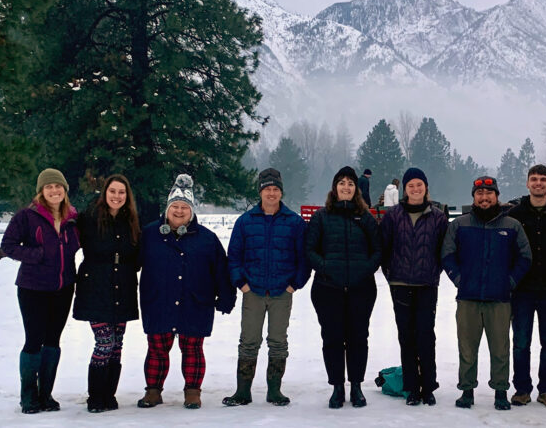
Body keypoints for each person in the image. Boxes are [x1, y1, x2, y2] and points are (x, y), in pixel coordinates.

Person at [136, 174, 236, 409]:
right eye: (175, 207)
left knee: (192, 348)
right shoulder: (149, 235)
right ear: (167, 209)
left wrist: (226, 297)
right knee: (157, 348)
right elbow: (131, 264)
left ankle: (193, 391)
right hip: (158, 300)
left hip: (195, 301)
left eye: (184, 207)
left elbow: (222, 271)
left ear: (191, 211)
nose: (179, 211)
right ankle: (153, 390)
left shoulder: (207, 239)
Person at [441, 176, 531, 411]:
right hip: (468, 298)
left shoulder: (512, 225)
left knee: (500, 348)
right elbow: (447, 255)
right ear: (474, 197)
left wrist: (509, 282)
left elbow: (525, 257)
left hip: (499, 299)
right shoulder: (459, 225)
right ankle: (467, 390)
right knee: (467, 347)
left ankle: (500, 391)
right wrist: (459, 279)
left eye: (489, 193)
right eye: (480, 193)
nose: (484, 197)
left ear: (496, 196)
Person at [223, 168, 309, 407]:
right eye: (267, 189)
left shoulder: (294, 222)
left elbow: (304, 258)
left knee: (278, 341)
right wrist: (242, 283)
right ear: (260, 191)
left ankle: (274, 390)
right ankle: (243, 390)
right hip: (254, 292)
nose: (271, 193)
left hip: (282, 292)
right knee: (249, 341)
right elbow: (234, 257)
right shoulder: (245, 221)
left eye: (275, 189)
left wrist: (295, 284)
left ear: (281, 192)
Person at [1, 168, 81, 414]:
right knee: (34, 340)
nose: (54, 191)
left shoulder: (73, 218)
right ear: (41, 191)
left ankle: (46, 394)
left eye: (58, 186)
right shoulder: (27, 216)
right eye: (49, 187)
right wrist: (36, 255)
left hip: (63, 287)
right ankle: (29, 396)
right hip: (32, 287)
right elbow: (8, 245)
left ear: (64, 190)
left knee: (53, 341)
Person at [306, 166, 382, 409]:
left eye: (350, 183)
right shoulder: (321, 216)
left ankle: (357, 386)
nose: (346, 187)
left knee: (358, 338)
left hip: (361, 288)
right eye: (342, 183)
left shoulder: (366, 217)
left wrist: (364, 269)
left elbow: (378, 249)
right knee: (333, 338)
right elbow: (309, 250)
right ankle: (337, 387)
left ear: (356, 189)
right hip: (328, 288)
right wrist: (326, 267)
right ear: (335, 187)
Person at [379, 168, 448, 406]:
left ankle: (428, 386)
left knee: (426, 336)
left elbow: (443, 251)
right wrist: (391, 275)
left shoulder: (438, 217)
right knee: (406, 336)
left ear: (426, 188)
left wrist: (432, 273)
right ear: (404, 189)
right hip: (399, 284)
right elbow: (384, 249)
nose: (415, 189)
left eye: (419, 185)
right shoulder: (393, 216)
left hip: (427, 285)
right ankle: (411, 387)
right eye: (411, 186)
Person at [73, 174, 141, 413]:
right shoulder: (89, 217)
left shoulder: (131, 220)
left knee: (118, 344)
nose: (117, 196)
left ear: (127, 196)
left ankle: (109, 395)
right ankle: (95, 396)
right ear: (105, 193)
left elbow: (138, 254)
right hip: (96, 287)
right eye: (113, 191)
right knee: (105, 342)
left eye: (121, 192)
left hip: (122, 287)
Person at [505, 164, 546, 408]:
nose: (538, 183)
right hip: (521, 290)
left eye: (543, 179)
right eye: (534, 179)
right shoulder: (515, 215)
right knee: (521, 342)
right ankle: (522, 389)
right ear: (527, 183)